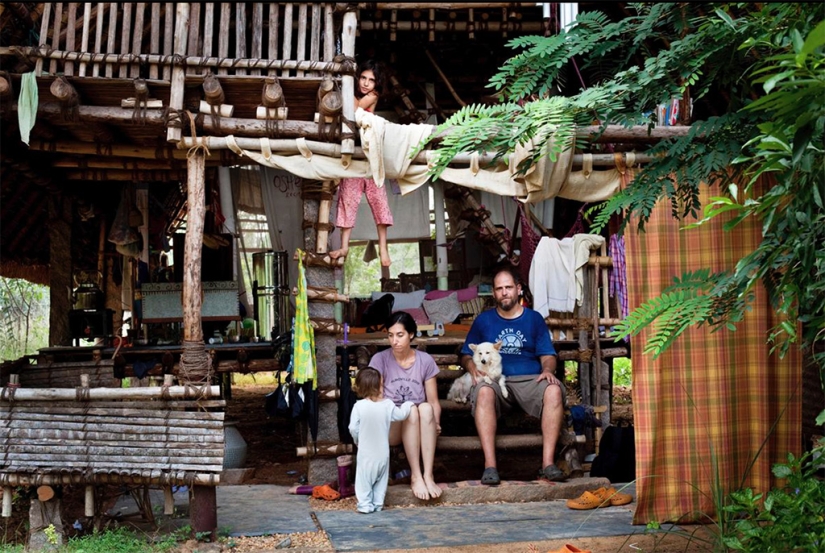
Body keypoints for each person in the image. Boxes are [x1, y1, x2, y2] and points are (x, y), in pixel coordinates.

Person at [460, 266, 567, 485]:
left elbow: (548, 355)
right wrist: (471, 366)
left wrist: (547, 370)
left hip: (530, 380)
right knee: (483, 393)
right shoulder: (484, 321)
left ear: (518, 289)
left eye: (509, 287)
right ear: (494, 293)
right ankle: (490, 467)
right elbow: (464, 355)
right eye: (499, 289)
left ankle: (548, 464)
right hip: (496, 381)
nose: (504, 292)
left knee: (554, 390)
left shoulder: (534, 319)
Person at [369, 311, 443, 500]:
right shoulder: (380, 360)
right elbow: (378, 399)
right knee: (410, 409)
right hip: (391, 424)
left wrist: (436, 423)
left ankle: (428, 474)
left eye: (400, 335)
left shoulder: (425, 361)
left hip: (420, 423)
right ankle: (416, 476)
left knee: (425, 408)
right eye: (390, 335)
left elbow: (433, 401)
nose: (394, 341)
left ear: (411, 334)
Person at [329, 60, 393, 267]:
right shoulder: (354, 93)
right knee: (347, 199)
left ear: (376, 85)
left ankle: (384, 247)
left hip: (370, 155)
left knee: (378, 200)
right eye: (363, 78)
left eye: (371, 80)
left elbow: (354, 108)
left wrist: (346, 97)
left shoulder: (372, 96)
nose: (366, 83)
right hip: (353, 156)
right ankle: (345, 247)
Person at [348, 367, 413, 513]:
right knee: (381, 481)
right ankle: (378, 503)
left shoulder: (359, 407)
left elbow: (352, 428)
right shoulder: (388, 405)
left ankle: (365, 505)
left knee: (363, 480)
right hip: (383, 454)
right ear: (377, 387)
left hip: (366, 454)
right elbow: (401, 415)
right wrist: (408, 404)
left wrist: (357, 439)